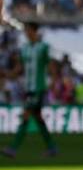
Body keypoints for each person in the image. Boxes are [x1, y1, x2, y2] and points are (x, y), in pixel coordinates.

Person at [2, 22, 58, 158]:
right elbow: (19, 69)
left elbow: (51, 68)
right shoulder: (25, 48)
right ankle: (52, 147)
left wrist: (53, 83)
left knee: (26, 115)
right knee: (38, 118)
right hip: (28, 88)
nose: (26, 33)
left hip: (38, 88)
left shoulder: (44, 47)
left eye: (28, 30)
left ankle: (13, 148)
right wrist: (6, 74)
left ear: (34, 31)